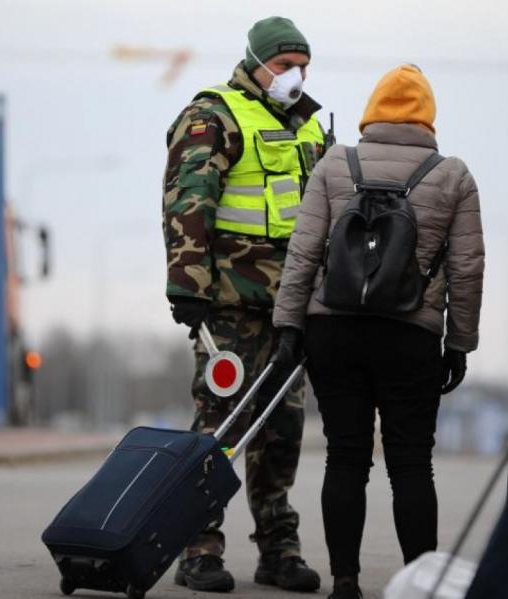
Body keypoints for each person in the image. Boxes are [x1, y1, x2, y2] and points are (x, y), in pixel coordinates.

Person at [271, 64, 485, 599]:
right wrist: (459, 341)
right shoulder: (452, 174)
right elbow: (466, 267)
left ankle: (345, 580)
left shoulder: (334, 165)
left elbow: (303, 253)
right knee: (411, 461)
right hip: (409, 335)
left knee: (345, 454)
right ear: (427, 117)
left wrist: (288, 324)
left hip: (333, 331)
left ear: (372, 112)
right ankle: (422, 582)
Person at [162, 16, 325, 594]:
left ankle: (278, 550)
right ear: (256, 62)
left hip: (292, 307)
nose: (295, 76)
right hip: (229, 304)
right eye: (285, 66)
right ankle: (198, 548)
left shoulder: (310, 129)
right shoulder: (214, 116)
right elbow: (188, 200)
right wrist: (188, 285)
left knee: (282, 431)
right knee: (218, 425)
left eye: (302, 66)